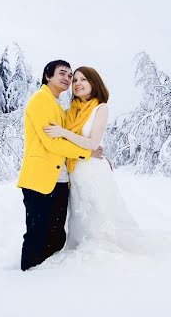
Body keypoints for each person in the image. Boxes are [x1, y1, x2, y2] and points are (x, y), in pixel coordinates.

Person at [16, 60, 102, 271]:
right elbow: (52, 143)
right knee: (37, 235)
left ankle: (47, 278)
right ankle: (26, 279)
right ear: (48, 76)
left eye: (70, 75)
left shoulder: (57, 106)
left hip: (61, 180)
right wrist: (86, 153)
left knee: (56, 236)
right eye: (62, 73)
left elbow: (71, 135)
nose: (68, 78)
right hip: (39, 180)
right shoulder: (40, 100)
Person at [45, 66, 141, 251]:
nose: (78, 84)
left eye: (84, 79)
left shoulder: (100, 108)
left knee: (99, 214)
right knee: (81, 218)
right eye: (75, 80)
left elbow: (92, 144)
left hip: (92, 171)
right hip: (75, 171)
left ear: (93, 82)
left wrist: (63, 132)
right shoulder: (71, 111)